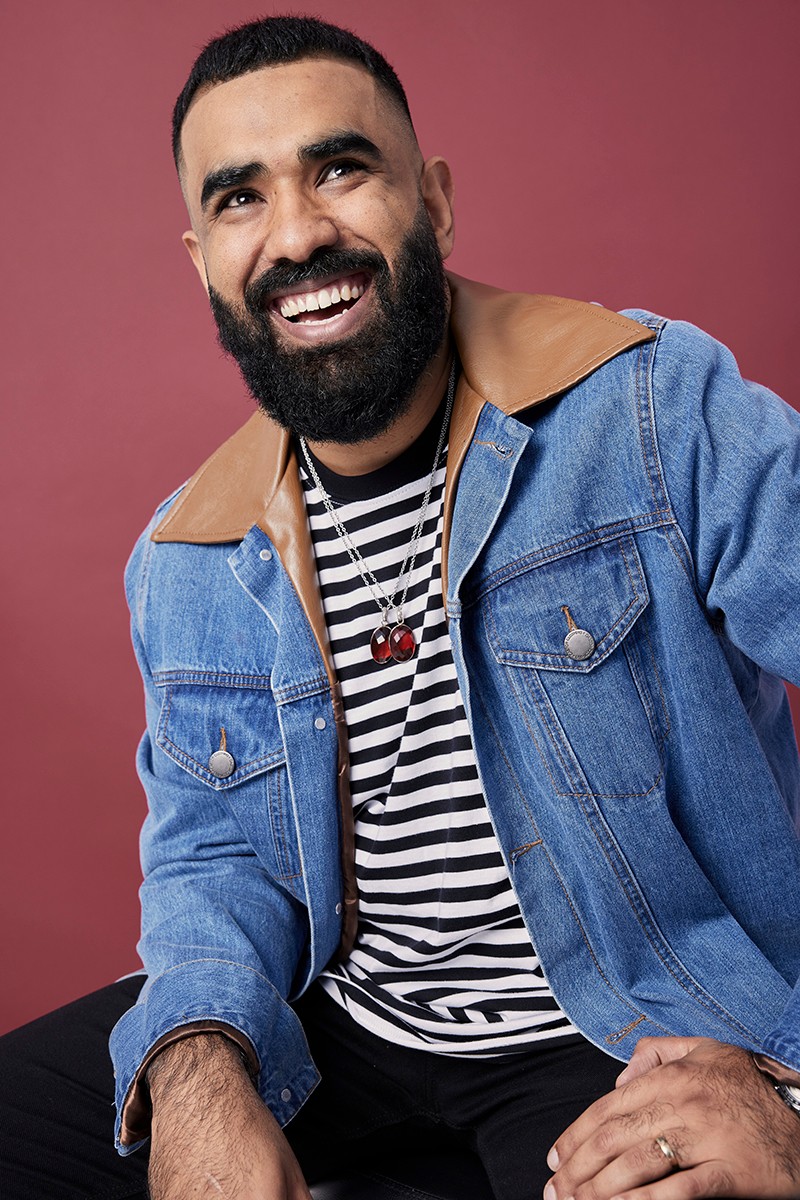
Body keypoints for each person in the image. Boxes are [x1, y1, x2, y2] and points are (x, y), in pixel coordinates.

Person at [2, 14, 800, 1200]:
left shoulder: (649, 409)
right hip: (342, 1029)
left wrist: (790, 1094)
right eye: (239, 198)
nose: (297, 234)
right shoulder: (189, 553)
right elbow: (211, 863)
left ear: (430, 199)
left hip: (614, 1027)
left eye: (339, 169)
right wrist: (199, 1062)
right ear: (199, 256)